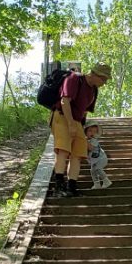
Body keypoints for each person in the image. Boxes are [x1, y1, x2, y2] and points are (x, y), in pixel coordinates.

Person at [51, 62, 112, 197]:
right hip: (62, 116)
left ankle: (71, 187)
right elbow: (64, 101)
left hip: (77, 122)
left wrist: (82, 130)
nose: (104, 82)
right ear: (95, 74)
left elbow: (85, 111)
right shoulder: (74, 79)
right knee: (63, 150)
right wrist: (70, 123)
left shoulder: (93, 90)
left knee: (78, 154)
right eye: (104, 79)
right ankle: (58, 187)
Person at [84, 124, 111, 189]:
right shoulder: (87, 140)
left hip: (101, 158)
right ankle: (96, 184)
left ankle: (106, 181)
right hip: (95, 160)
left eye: (94, 132)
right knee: (92, 171)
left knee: (98, 169)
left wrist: (85, 140)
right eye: (90, 131)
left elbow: (90, 148)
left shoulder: (94, 140)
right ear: (85, 132)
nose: (92, 133)